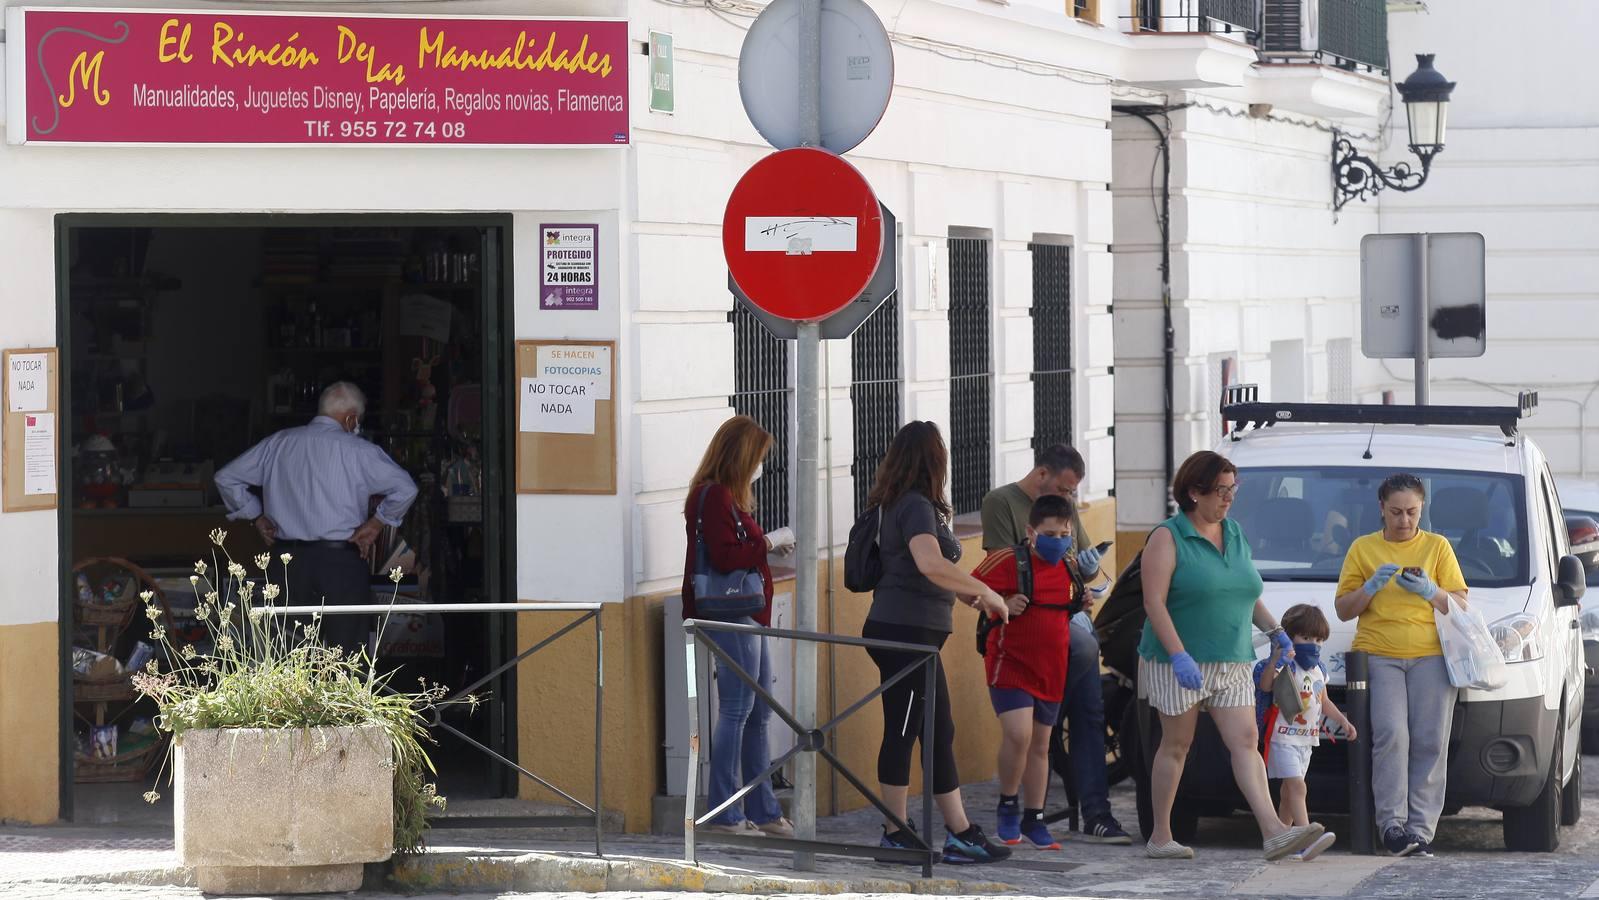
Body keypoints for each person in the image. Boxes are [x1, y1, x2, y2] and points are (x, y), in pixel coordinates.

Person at [1138, 450, 1325, 861]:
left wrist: (1276, 631)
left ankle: (1273, 831)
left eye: (1232, 490)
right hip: (1179, 659)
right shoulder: (1167, 537)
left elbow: (1245, 592)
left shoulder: (1235, 533)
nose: (1228, 499)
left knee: (1245, 740)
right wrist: (1178, 655)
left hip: (1233, 658)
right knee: (1177, 744)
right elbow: (1154, 603)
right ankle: (1161, 836)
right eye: (1221, 491)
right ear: (1193, 492)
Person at [865, 421, 1013, 864]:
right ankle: (896, 834)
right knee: (904, 730)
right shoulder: (913, 506)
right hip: (904, 636)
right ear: (935, 460)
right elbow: (929, 563)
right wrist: (985, 591)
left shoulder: (910, 505)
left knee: (937, 731)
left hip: (915, 635)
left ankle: (960, 833)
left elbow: (928, 574)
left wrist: (970, 596)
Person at [980, 444, 1129, 844]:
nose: (1068, 500)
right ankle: (1023, 806)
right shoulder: (1002, 503)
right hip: (1020, 633)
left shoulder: (1065, 519)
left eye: (1072, 494)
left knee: (1085, 708)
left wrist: (1088, 573)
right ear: (1042, 474)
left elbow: (1081, 565)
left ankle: (1086, 811)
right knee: (1029, 731)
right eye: (1064, 490)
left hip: (1062, 631)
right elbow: (993, 572)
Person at [215, 382, 417, 653]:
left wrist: (256, 516)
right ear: (351, 418)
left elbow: (226, 478)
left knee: (286, 654)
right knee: (345, 655)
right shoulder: (359, 450)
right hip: (341, 563)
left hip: (287, 562)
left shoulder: (278, 443)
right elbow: (406, 489)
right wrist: (376, 523)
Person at [1334, 473, 1468, 858]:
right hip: (1379, 653)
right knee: (1392, 734)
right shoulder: (1363, 548)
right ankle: (1391, 826)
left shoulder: (1437, 547)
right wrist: (1369, 588)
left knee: (1429, 739)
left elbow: (1460, 604)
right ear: (1381, 508)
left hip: (1431, 654)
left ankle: (1420, 830)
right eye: (1396, 512)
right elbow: (1343, 609)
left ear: (1422, 508)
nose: (1404, 520)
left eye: (1412, 512)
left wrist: (1431, 591)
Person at [680, 415, 797, 838]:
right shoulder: (712, 497)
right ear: (742, 456)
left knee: (759, 713)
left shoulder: (728, 497)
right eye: (759, 457)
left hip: (749, 614)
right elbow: (728, 556)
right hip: (729, 614)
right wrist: (769, 541)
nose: (760, 466)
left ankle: (763, 809)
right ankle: (726, 812)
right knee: (736, 709)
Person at [972, 493, 1083, 851]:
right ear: (1030, 531)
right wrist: (1000, 603)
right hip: (1010, 662)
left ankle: (1034, 818)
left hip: (1052, 668)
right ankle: (1008, 804)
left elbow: (1072, 602)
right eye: (1050, 534)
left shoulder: (1069, 565)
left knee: (1040, 744)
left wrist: (1084, 598)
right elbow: (968, 588)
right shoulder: (1008, 559)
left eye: (1064, 533)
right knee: (1018, 735)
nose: (1058, 540)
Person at [1253, 604, 1353, 862]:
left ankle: (1282, 839)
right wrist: (1276, 659)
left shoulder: (1320, 669)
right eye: (1306, 638)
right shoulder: (1286, 665)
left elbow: (1324, 700)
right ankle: (1306, 838)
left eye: (1318, 639)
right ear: (1290, 635)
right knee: (1298, 786)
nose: (1313, 644)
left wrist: (1343, 720)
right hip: (1282, 737)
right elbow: (1265, 686)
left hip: (1307, 739)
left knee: (1289, 793)